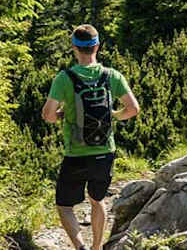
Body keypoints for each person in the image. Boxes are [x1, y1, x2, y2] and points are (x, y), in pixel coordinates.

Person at [42, 25, 140, 250]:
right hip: (105, 151)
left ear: (75, 48)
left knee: (65, 205)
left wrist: (61, 115)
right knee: (97, 200)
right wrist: (114, 115)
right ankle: (96, 247)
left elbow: (48, 115)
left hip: (75, 153)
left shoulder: (65, 78)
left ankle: (80, 247)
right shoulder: (112, 76)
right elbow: (133, 109)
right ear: (97, 46)